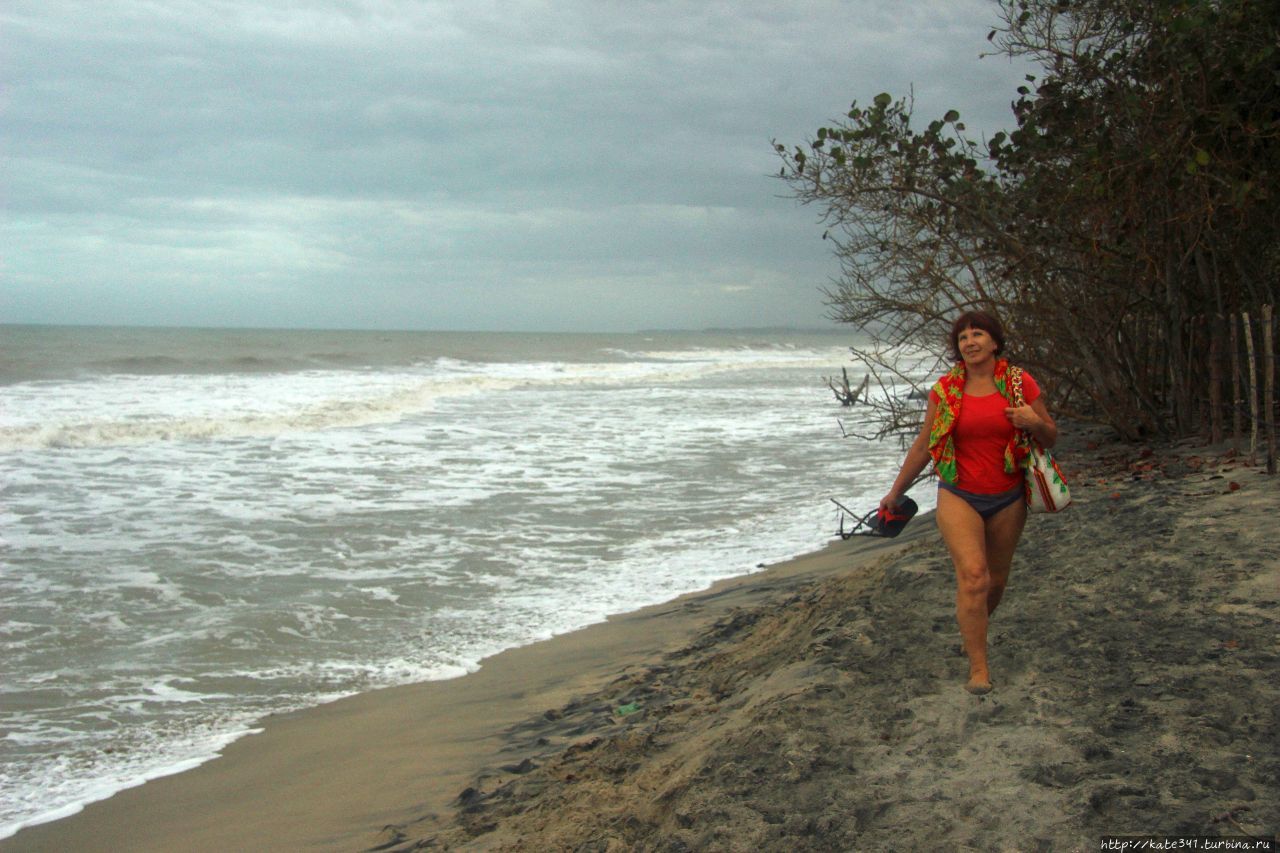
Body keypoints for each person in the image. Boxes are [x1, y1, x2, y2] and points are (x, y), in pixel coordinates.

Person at [880, 311, 1057, 695]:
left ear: (995, 343)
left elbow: (1051, 435)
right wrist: (896, 492)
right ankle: (979, 668)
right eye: (963, 338)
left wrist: (1032, 422)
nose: (970, 342)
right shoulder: (945, 391)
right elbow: (926, 444)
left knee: (995, 582)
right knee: (974, 577)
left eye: (978, 334)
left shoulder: (1018, 383)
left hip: (1009, 497)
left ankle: (970, 627)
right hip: (958, 494)